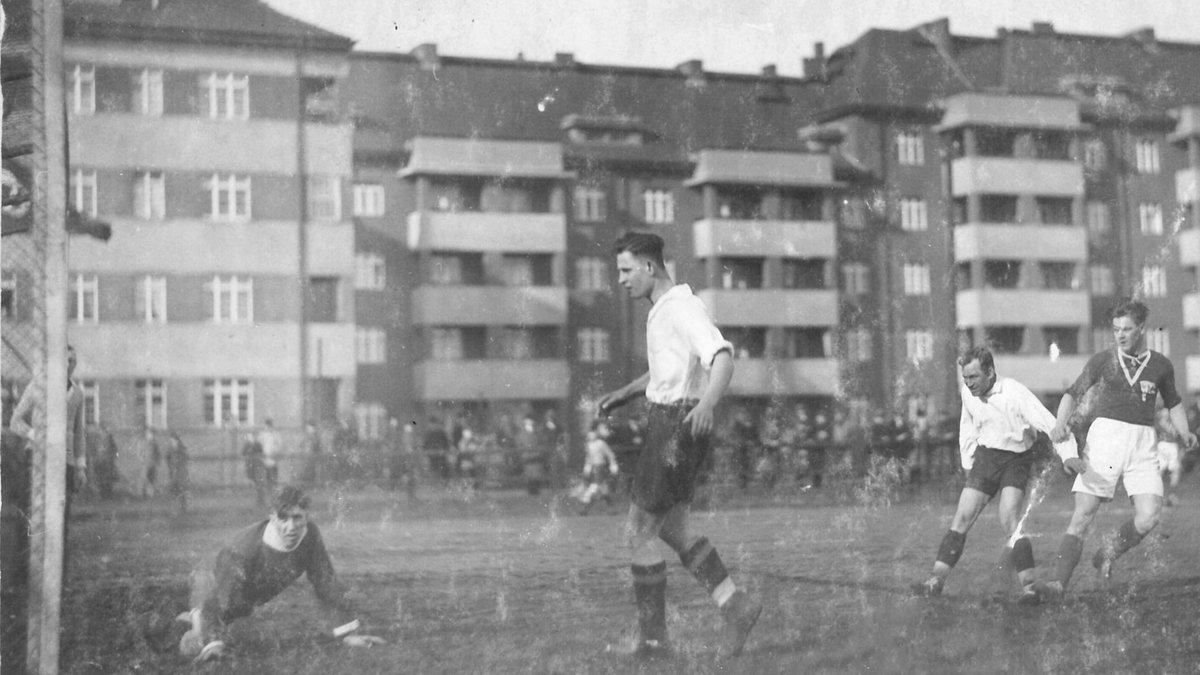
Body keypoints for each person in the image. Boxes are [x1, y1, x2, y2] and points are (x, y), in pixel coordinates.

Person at [597, 232, 761, 659]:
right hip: (671, 420)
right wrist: (626, 393)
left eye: (626, 270)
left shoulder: (683, 307)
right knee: (672, 528)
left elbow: (721, 357)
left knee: (638, 530)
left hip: (675, 425)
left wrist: (709, 403)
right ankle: (735, 604)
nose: (621, 280)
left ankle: (654, 640)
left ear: (650, 267)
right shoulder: (663, 310)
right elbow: (666, 373)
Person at [1039, 299, 1198, 601]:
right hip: (1105, 441)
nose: (1120, 335)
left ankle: (1106, 554)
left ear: (1141, 329)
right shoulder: (1102, 360)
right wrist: (1060, 423)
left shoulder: (1161, 365)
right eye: (1115, 329)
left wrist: (1185, 431)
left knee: (1149, 517)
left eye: (1127, 329)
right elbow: (1072, 394)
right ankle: (1058, 584)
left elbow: (1174, 402)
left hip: (1142, 445)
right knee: (1084, 514)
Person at [911, 347, 1079, 603]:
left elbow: (1049, 422)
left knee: (1009, 518)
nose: (969, 384)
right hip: (987, 458)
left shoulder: (1014, 392)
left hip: (1017, 459)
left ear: (990, 372)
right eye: (965, 378)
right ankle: (935, 581)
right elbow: (966, 427)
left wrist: (1069, 454)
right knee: (962, 516)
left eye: (974, 377)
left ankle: (1030, 588)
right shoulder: (968, 393)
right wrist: (969, 464)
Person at [172, 485, 384, 661]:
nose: (291, 526)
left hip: (249, 595)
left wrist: (347, 633)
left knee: (240, 608)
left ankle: (195, 620)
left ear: (307, 516)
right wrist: (212, 643)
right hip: (219, 582)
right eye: (283, 518)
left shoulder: (310, 535)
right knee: (196, 641)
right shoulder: (242, 552)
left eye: (297, 518)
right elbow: (221, 599)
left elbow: (325, 581)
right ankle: (192, 620)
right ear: (272, 517)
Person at [579, 424, 619, 516]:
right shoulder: (588, 445)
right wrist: (587, 470)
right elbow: (588, 459)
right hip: (594, 469)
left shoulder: (601, 443)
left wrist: (613, 467)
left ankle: (585, 507)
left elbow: (610, 455)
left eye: (592, 433)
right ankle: (611, 509)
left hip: (601, 468)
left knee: (595, 487)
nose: (590, 435)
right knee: (603, 489)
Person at [1154, 406, 1184, 506]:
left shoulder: (1175, 423)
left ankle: (1171, 495)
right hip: (1161, 446)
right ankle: (1158, 496)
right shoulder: (1157, 423)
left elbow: (1180, 436)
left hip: (1173, 447)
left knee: (1174, 470)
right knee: (1159, 471)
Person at [165, 431, 190, 516]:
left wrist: (181, 470)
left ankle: (183, 509)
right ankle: (174, 510)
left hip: (181, 474)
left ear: (177, 440)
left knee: (181, 492)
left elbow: (185, 460)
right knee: (173, 492)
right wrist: (170, 469)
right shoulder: (170, 450)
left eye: (173, 441)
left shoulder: (181, 449)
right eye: (171, 441)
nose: (172, 442)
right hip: (173, 474)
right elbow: (167, 458)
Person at [258, 419, 283, 496]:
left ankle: (273, 496)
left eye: (268, 426)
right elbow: (258, 445)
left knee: (273, 480)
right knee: (263, 480)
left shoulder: (275, 435)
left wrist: (275, 451)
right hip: (263, 461)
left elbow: (279, 445)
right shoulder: (262, 435)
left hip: (273, 461)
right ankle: (264, 498)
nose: (267, 428)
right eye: (266, 426)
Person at [241, 431, 266, 507]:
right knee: (255, 481)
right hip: (251, 465)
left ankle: (260, 500)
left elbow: (261, 451)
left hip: (257, 464)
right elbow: (243, 452)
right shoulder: (248, 444)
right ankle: (258, 499)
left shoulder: (257, 444)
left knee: (259, 482)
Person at [136, 427, 161, 499]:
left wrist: (157, 461)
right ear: (147, 435)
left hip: (152, 463)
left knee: (152, 479)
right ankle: (141, 494)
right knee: (144, 478)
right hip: (145, 463)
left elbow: (158, 453)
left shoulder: (155, 443)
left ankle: (150, 494)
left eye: (152, 434)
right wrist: (142, 458)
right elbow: (139, 451)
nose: (151, 436)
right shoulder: (143, 442)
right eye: (150, 434)